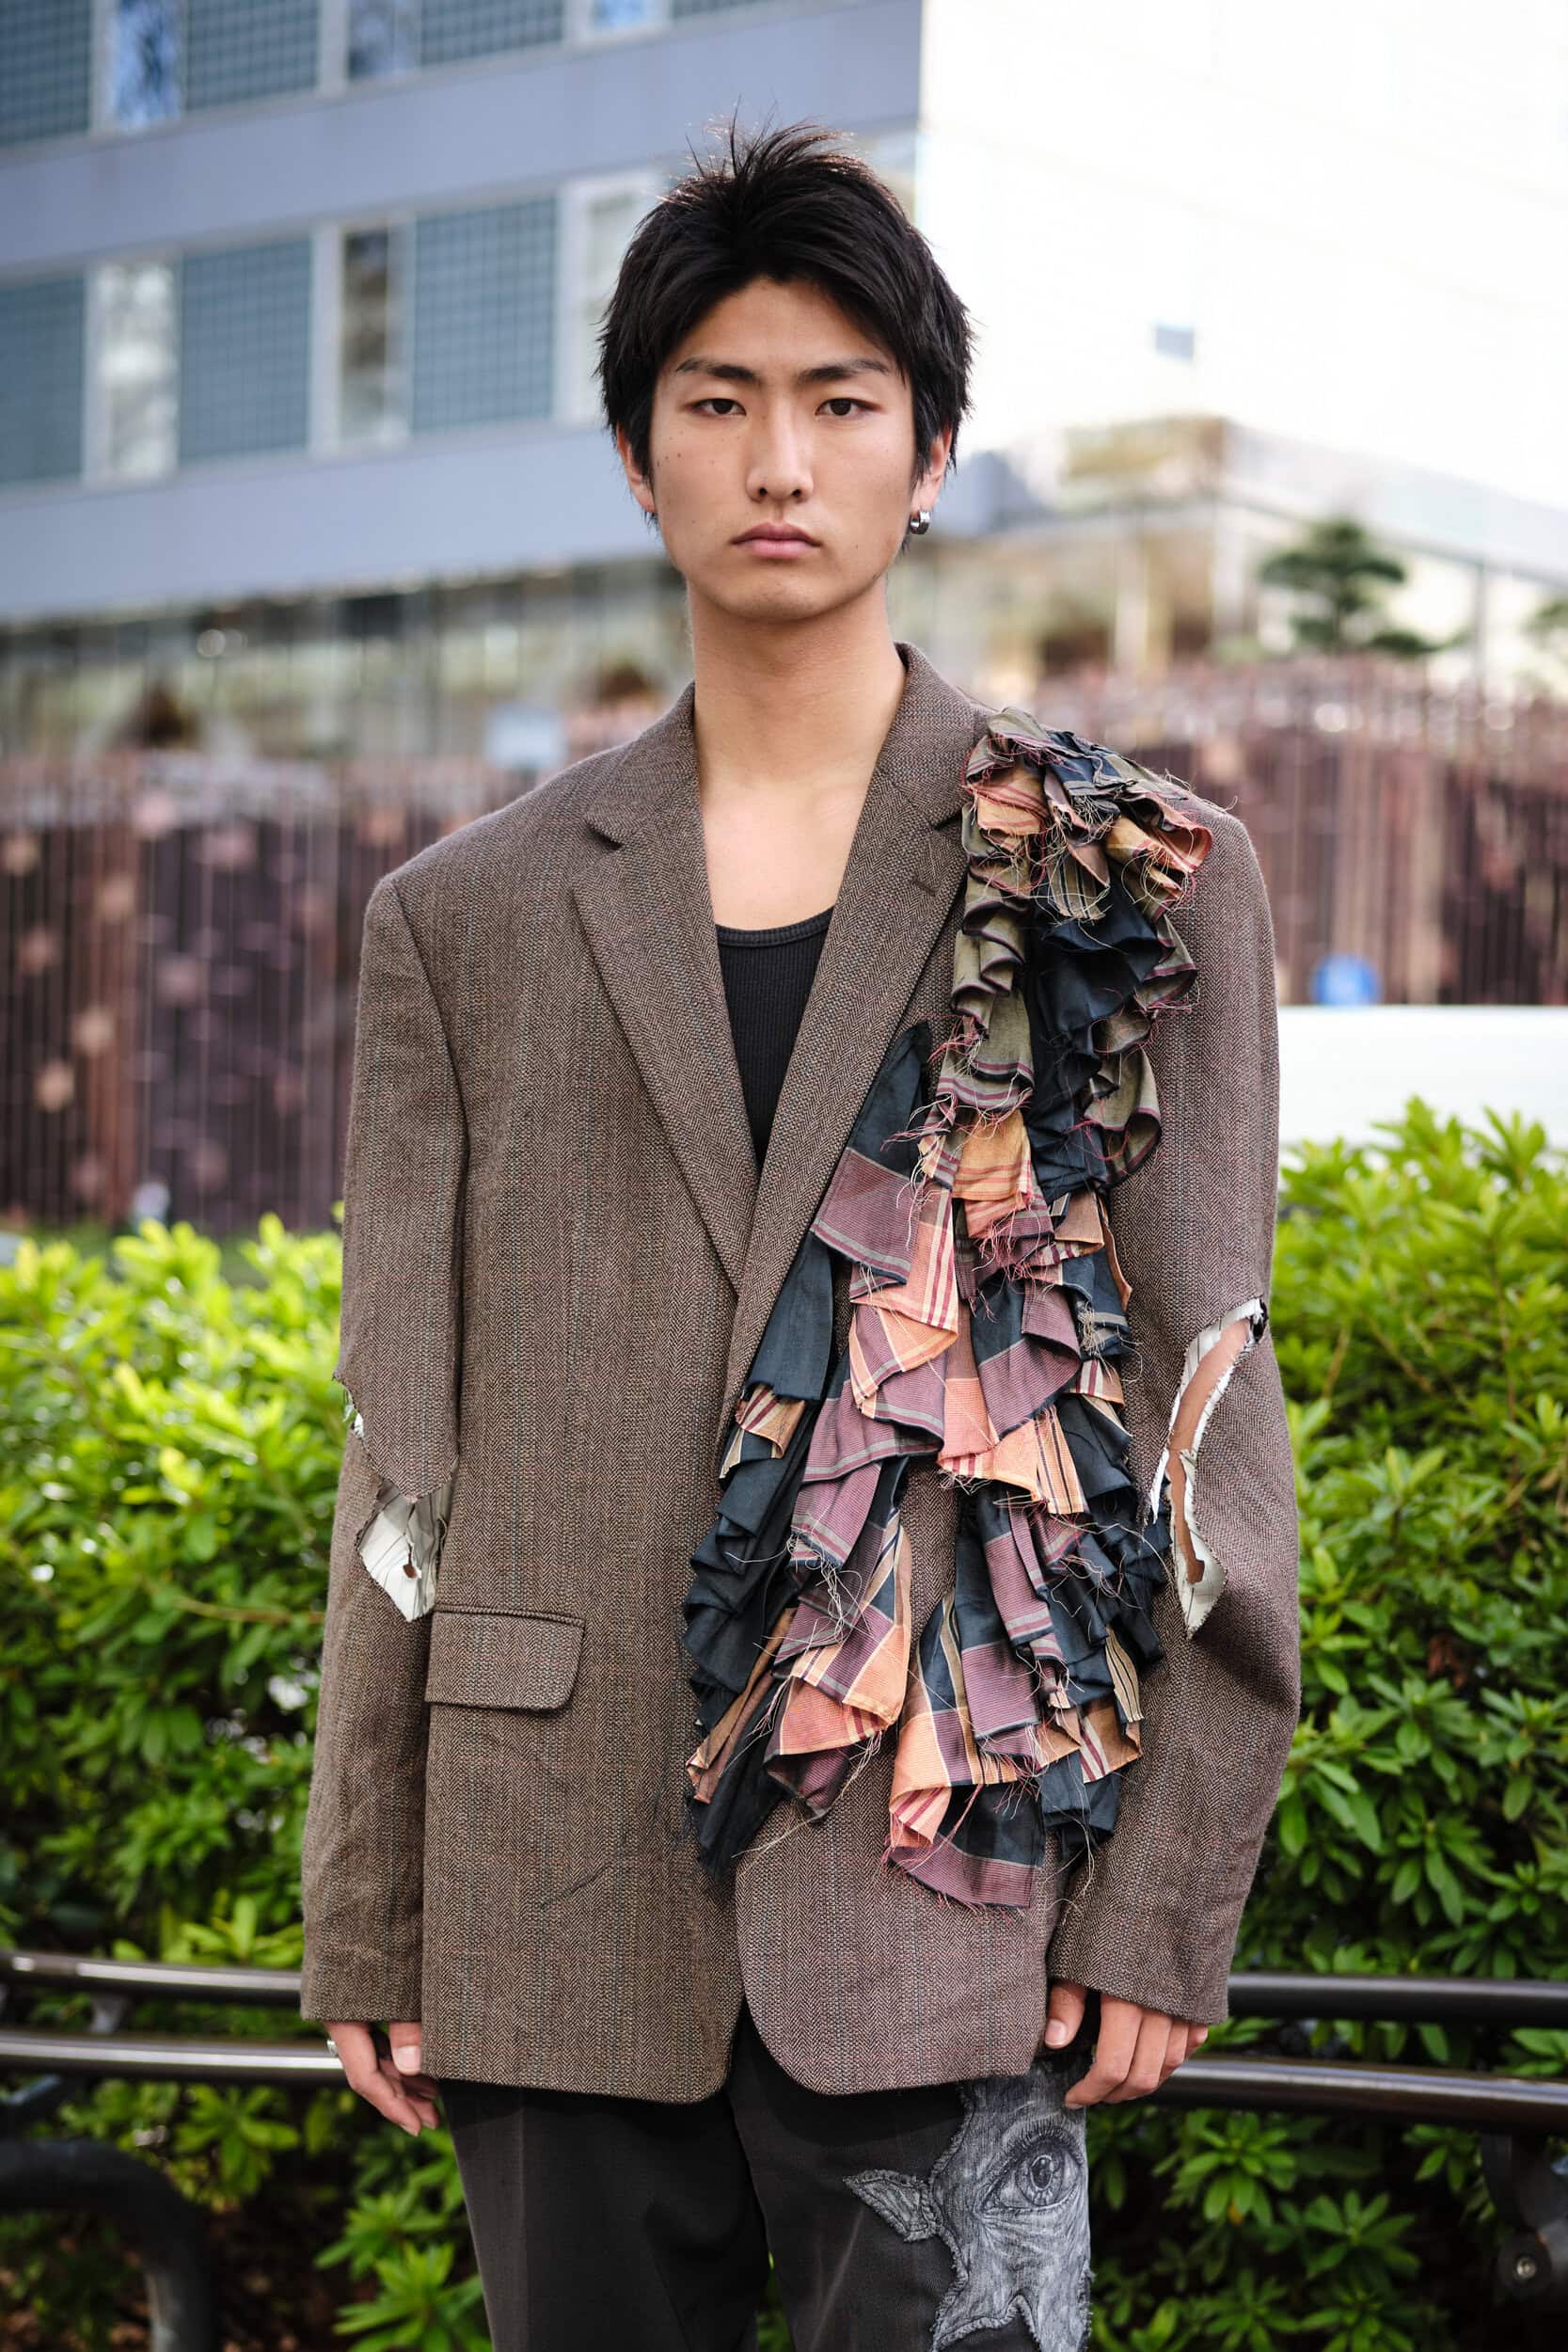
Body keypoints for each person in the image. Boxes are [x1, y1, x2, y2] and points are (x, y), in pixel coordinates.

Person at [299, 117, 1301, 2352]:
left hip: (953, 1887)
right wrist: (369, 1899)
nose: (780, 458)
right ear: (636, 455)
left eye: (843, 400)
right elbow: (400, 1449)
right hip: (546, 1891)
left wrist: (1166, 1895)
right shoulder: (462, 920)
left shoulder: (1121, 876)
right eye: (719, 399)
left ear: (929, 456)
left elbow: (1207, 1408)